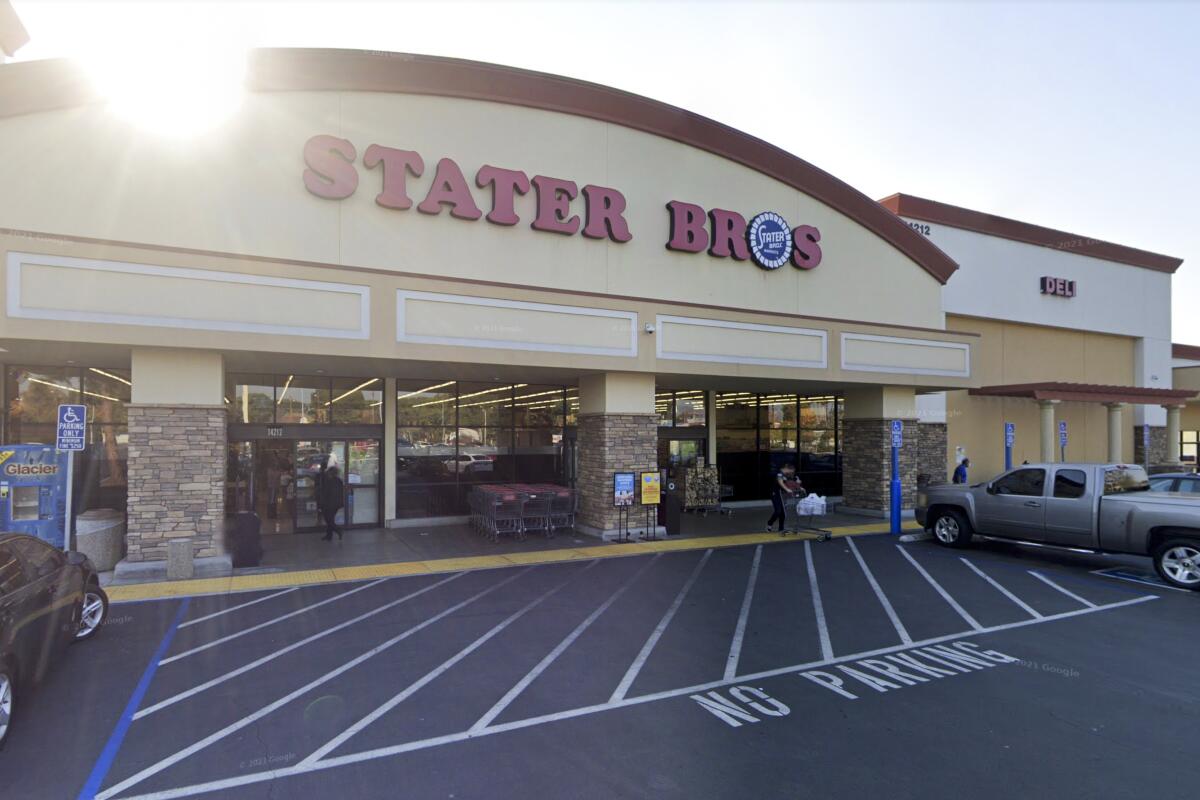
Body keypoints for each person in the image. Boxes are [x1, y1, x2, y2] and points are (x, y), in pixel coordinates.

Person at [766, 463, 802, 532]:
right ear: (787, 469)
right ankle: (769, 524)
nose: (791, 473)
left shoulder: (786, 475)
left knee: (783, 513)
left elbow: (791, 482)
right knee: (778, 511)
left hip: (782, 495)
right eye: (791, 471)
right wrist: (787, 489)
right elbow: (780, 482)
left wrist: (799, 487)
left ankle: (781, 528)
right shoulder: (779, 474)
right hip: (775, 494)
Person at [319, 464, 346, 541]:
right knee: (330, 519)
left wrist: (322, 504)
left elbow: (326, 493)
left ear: (330, 473)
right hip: (337, 504)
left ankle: (338, 530)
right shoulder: (339, 481)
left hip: (329, 504)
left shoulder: (329, 481)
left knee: (328, 520)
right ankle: (329, 535)